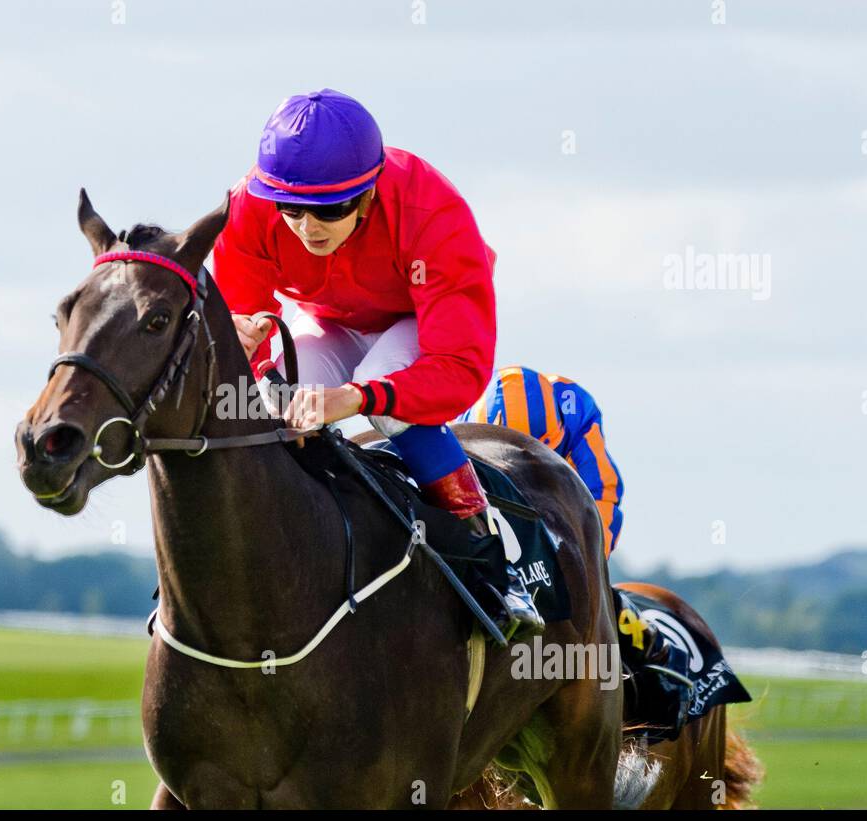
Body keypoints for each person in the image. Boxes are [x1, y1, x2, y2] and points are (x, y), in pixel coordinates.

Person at [212, 88, 542, 639]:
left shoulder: (433, 214)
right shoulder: (249, 207)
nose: (306, 227)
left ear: (368, 195)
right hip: (331, 319)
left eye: (329, 210)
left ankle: (489, 561)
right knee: (272, 409)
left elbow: (459, 369)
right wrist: (248, 343)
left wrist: (361, 398)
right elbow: (244, 318)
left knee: (388, 408)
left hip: (420, 323)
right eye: (290, 209)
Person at [460, 366, 625, 558]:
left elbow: (603, 497)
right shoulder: (457, 418)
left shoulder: (578, 414)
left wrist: (583, 562)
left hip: (558, 504)